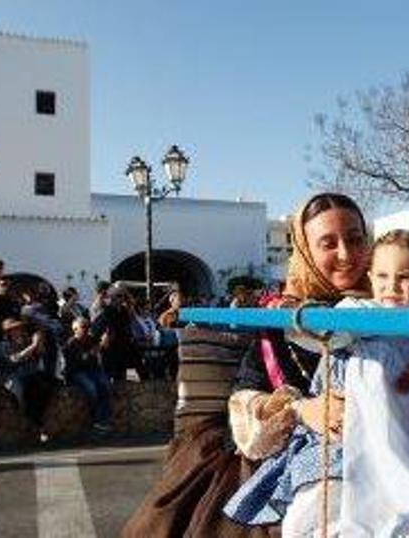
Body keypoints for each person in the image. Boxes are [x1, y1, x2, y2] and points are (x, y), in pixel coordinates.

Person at [122, 193, 371, 538]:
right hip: (306, 468)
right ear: (306, 252)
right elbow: (243, 399)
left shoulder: (400, 307)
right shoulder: (282, 321)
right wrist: (302, 410)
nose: (346, 254)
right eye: (328, 243)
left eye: (355, 239)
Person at [235, 230, 409, 536]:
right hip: (375, 426)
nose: (392, 287)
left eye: (405, 277)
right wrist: (303, 319)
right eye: (382, 276)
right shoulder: (358, 312)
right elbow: (325, 335)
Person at [0, 318, 55, 443]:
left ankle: (38, 425)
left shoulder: (26, 341)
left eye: (19, 328)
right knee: (26, 395)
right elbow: (15, 359)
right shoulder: (4, 345)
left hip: (30, 373)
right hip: (13, 376)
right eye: (14, 329)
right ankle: (37, 427)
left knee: (47, 387)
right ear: (9, 332)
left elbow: (41, 353)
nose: (18, 331)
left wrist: (39, 342)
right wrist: (33, 346)